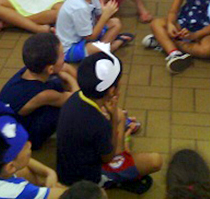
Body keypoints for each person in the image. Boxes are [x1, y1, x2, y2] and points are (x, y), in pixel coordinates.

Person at [56, 48, 162, 192]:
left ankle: (124, 136)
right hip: (88, 178)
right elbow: (108, 157)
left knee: (120, 115)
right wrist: (113, 119)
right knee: (155, 161)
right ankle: (110, 180)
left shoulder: (75, 97)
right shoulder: (99, 123)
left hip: (66, 169)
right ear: (112, 91)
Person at [0, 106, 66, 199]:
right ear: (10, 167)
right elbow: (66, 195)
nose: (29, 144)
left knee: (24, 171)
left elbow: (20, 161)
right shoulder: (15, 191)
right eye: (25, 145)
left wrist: (49, 172)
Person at [0, 32, 79, 150]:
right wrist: (70, 79)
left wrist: (67, 73)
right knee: (69, 108)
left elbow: (65, 67)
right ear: (50, 69)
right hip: (22, 135)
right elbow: (75, 98)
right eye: (62, 55)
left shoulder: (32, 68)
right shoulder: (43, 95)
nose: (64, 56)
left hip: (10, 118)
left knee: (58, 80)